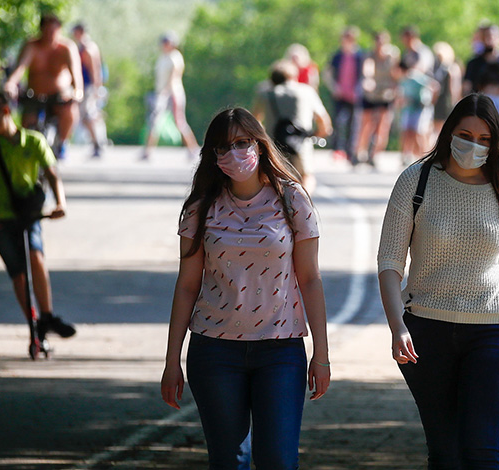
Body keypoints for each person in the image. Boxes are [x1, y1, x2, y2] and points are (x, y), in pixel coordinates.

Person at [160, 108, 330, 469]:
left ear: (260, 144)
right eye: (224, 147)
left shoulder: (293, 200)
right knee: (229, 461)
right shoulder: (201, 208)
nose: (234, 154)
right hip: (214, 351)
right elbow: (187, 285)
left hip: (280, 351)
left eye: (242, 143)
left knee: (279, 460)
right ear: (213, 156)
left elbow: (311, 280)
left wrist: (321, 354)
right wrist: (171, 359)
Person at [378, 93, 499, 469]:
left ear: (495, 143)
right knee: (445, 454)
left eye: (484, 140)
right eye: (466, 135)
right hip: (425, 333)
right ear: (449, 132)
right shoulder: (415, 181)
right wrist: (397, 325)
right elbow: (389, 261)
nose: (474, 146)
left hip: (496, 333)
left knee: (481, 451)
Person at [0, 90, 76, 353]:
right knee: (18, 274)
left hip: (29, 215)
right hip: (2, 221)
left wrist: (60, 203)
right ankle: (34, 324)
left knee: (36, 257)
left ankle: (47, 316)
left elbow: (53, 175)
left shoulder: (34, 141)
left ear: (6, 111)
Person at [3, 12, 83, 160]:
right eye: (46, 30)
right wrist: (11, 84)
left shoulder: (67, 48)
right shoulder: (32, 46)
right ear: (40, 30)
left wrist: (77, 92)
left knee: (70, 112)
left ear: (59, 30)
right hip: (35, 96)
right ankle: (27, 154)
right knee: (27, 123)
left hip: (60, 96)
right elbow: (20, 68)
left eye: (53, 31)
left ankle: (62, 144)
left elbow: (76, 74)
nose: (50, 34)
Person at [253, 59, 332, 194]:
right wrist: (317, 135)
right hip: (301, 143)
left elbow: (254, 121)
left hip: (274, 145)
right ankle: (303, 206)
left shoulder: (265, 94)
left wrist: (263, 137)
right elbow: (323, 121)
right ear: (293, 76)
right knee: (307, 177)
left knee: (275, 181)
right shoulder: (306, 91)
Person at [142, 32, 201, 161]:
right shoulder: (163, 57)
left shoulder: (175, 58)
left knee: (179, 122)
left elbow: (174, 78)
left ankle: (193, 149)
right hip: (161, 93)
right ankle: (147, 151)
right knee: (154, 121)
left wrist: (165, 92)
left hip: (173, 94)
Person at [356, 31, 400, 166]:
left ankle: (375, 154)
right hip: (372, 93)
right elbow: (368, 68)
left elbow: (396, 74)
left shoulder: (392, 55)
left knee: (383, 125)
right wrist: (368, 79)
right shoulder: (370, 54)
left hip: (386, 94)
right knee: (366, 123)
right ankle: (359, 152)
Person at [323, 26, 364, 165]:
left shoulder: (360, 56)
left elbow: (365, 73)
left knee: (354, 124)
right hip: (340, 95)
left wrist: (360, 88)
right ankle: (337, 149)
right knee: (338, 122)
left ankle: (351, 152)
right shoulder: (338, 56)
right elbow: (327, 73)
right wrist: (334, 87)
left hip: (354, 95)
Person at [71, 22, 105, 158]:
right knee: (87, 116)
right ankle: (97, 143)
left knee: (87, 116)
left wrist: (97, 88)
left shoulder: (87, 48)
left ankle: (97, 144)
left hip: (87, 87)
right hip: (86, 86)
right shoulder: (88, 46)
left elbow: (93, 69)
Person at [397, 61, 439, 165]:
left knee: (418, 134)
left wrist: (431, 101)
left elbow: (434, 85)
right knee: (406, 133)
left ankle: (424, 157)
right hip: (408, 109)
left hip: (419, 109)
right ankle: (405, 156)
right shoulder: (403, 79)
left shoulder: (414, 77)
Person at [431, 41, 463, 137]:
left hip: (447, 100)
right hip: (439, 100)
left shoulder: (452, 68)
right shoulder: (438, 68)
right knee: (436, 127)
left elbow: (455, 88)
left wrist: (455, 101)